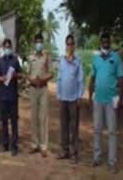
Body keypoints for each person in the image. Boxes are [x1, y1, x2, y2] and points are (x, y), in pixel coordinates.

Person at [89, 33, 123, 174]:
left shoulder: (115, 58)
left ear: (109, 43)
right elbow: (92, 78)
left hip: (111, 100)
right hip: (98, 100)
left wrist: (120, 98)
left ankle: (112, 162)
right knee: (97, 130)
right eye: (103, 42)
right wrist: (90, 96)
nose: (105, 44)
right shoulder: (96, 59)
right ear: (100, 44)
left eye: (107, 42)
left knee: (111, 132)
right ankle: (96, 158)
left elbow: (121, 79)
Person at [56, 35, 84, 164]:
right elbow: (59, 79)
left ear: (74, 46)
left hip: (74, 99)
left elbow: (80, 79)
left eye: (72, 44)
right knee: (64, 126)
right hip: (63, 98)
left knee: (74, 127)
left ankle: (73, 153)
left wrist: (79, 96)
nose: (69, 46)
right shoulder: (61, 60)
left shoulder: (77, 61)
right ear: (65, 45)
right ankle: (64, 151)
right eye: (68, 44)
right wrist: (58, 95)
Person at [26, 33, 53, 158]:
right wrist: (32, 80)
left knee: (43, 118)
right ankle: (34, 145)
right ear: (34, 43)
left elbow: (51, 73)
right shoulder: (30, 57)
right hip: (33, 89)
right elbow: (27, 73)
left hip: (43, 89)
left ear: (42, 43)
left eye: (40, 42)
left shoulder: (47, 57)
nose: (38, 44)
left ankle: (43, 146)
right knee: (34, 117)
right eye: (37, 41)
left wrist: (42, 80)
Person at [0, 38, 22, 156]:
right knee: (4, 121)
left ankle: (14, 146)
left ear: (11, 48)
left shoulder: (15, 60)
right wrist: (2, 78)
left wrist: (16, 75)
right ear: (3, 48)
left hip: (13, 96)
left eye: (9, 47)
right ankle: (5, 144)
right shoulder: (0, 61)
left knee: (14, 122)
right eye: (5, 47)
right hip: (3, 96)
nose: (7, 49)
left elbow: (21, 75)